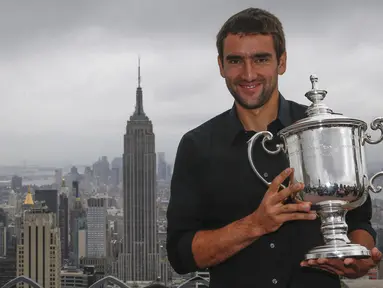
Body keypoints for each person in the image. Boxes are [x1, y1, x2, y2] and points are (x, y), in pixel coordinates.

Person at [166, 7, 381, 288]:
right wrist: (255, 225)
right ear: (221, 66)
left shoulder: (324, 129)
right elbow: (181, 255)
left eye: (261, 59)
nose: (248, 73)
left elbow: (359, 224)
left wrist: (356, 259)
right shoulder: (197, 146)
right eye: (235, 61)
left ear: (282, 62)